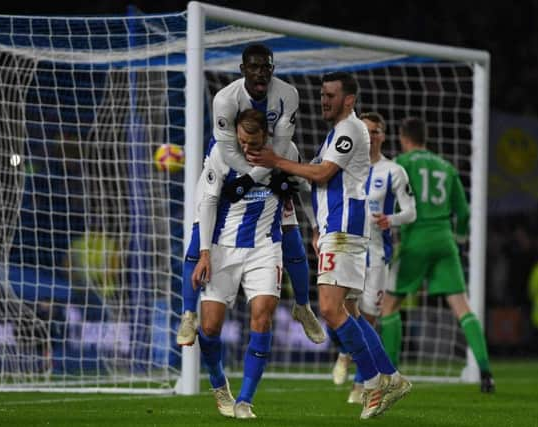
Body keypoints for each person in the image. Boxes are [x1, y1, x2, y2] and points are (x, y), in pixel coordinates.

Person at [248, 72, 411, 420]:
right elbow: (320, 180)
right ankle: (392, 378)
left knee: (330, 309)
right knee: (348, 312)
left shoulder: (351, 129)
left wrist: (276, 161)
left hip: (345, 228)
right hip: (336, 228)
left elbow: (322, 174)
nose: (324, 100)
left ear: (349, 100)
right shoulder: (337, 133)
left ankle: (371, 383)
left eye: (331, 95)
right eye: (322, 94)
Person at [176, 43, 325, 347]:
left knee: (292, 235)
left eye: (266, 67)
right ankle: (188, 314)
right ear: (243, 69)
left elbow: (284, 149)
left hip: (271, 163)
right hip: (228, 165)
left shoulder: (287, 95)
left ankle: (303, 306)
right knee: (199, 230)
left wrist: (315, 223)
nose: (260, 73)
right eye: (254, 67)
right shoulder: (225, 100)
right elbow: (229, 150)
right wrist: (247, 179)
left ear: (273, 69)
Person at [379, 117, 495, 393]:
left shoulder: (400, 165)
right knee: (462, 308)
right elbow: (464, 213)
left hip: (415, 241)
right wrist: (460, 237)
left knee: (389, 307)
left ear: (403, 137)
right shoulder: (446, 166)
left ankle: (391, 377)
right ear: (425, 137)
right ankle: (486, 372)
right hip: (444, 240)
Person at [190, 109, 287, 419]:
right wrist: (204, 252)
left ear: (267, 136)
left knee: (262, 315)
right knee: (209, 326)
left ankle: (245, 400)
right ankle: (219, 385)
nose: (247, 148)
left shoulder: (284, 152)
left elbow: (300, 188)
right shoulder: (221, 152)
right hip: (223, 247)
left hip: (265, 248)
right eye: (242, 141)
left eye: (254, 142)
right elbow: (207, 202)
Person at [330, 112, 416, 404]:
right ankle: (347, 357)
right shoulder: (346, 166)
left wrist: (389, 219)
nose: (371, 136)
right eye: (366, 131)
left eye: (376, 131)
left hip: (377, 254)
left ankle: (358, 380)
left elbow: (411, 212)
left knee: (368, 314)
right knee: (339, 307)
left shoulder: (393, 171)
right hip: (347, 247)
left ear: (382, 135)